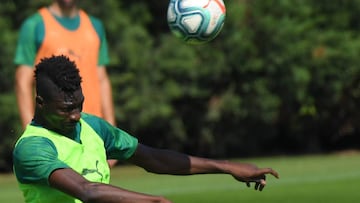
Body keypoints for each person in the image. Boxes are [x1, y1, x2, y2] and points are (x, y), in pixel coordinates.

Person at [13, 55, 279, 203]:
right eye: (66, 109)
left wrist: (226, 167)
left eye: (79, 105)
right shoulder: (33, 147)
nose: (76, 115)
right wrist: (154, 201)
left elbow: (153, 158)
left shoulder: (93, 127)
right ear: (41, 103)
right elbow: (87, 190)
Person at [14, 0, 117, 167]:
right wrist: (31, 134)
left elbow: (102, 79)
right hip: (53, 133)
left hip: (91, 131)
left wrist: (112, 131)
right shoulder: (35, 25)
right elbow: (22, 82)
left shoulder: (95, 26)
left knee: (95, 189)